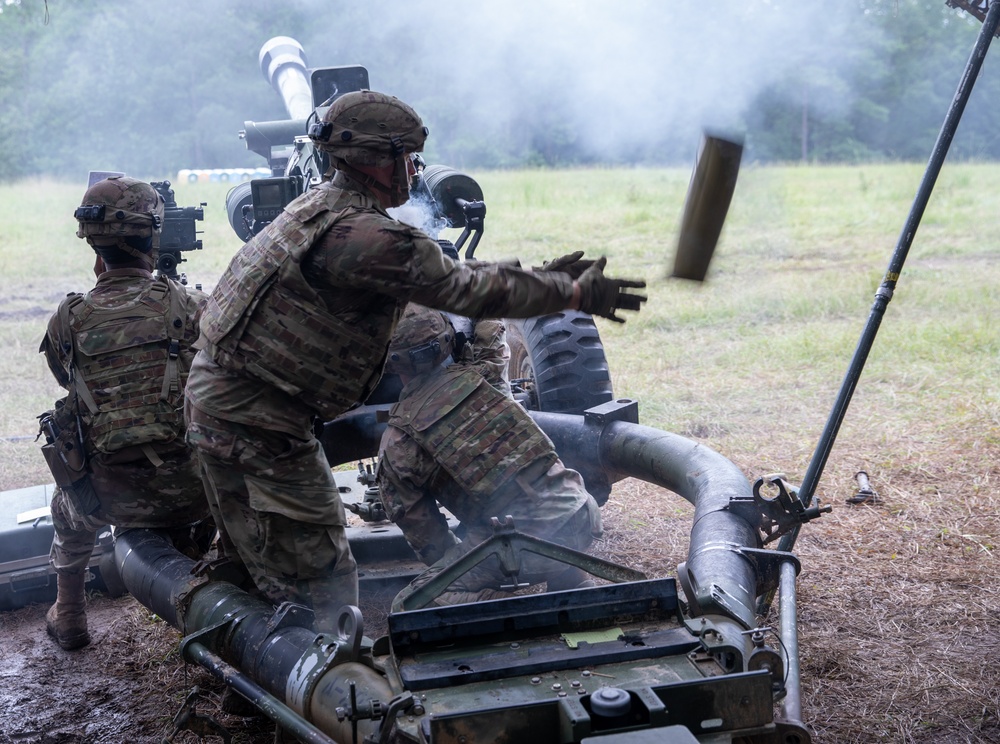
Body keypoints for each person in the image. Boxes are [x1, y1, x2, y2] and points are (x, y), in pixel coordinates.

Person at [184, 89, 644, 632]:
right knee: (325, 576)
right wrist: (567, 292)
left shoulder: (312, 212)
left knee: (252, 552)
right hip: (262, 423)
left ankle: (242, 656)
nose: (414, 169)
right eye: (407, 158)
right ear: (376, 162)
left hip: (219, 401)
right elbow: (461, 287)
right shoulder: (362, 236)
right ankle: (333, 686)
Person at [39, 176, 214, 650]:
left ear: (92, 243)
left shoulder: (66, 320)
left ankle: (70, 613)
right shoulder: (193, 307)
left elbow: (70, 384)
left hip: (109, 497)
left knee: (64, 507)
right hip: (195, 493)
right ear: (153, 236)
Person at [377, 305, 603, 611]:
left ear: (390, 363)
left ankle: (523, 610)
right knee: (534, 511)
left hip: (531, 543)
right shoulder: (487, 375)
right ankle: (573, 582)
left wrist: (469, 565)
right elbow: (489, 329)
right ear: (448, 341)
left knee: (410, 603)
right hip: (583, 515)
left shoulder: (398, 442)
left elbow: (431, 542)